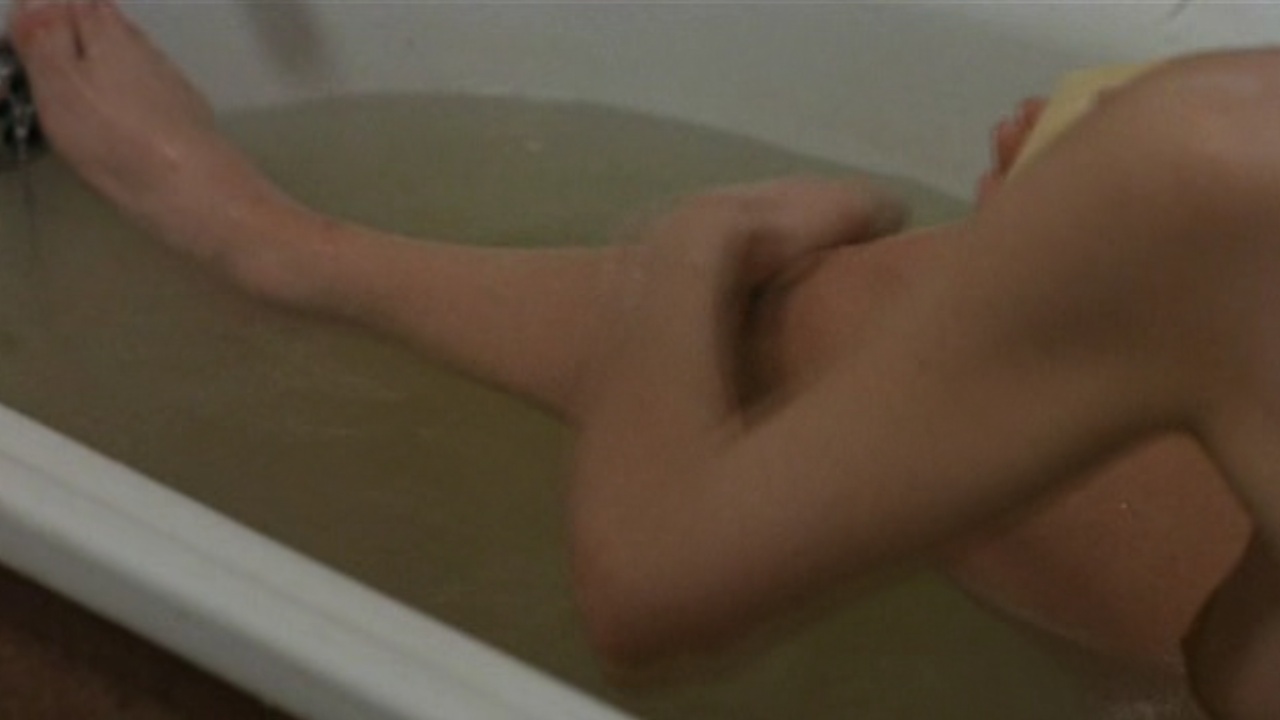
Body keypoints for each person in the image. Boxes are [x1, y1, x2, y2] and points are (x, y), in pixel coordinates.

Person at [7, 0, 1277, 716]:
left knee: (835, 318)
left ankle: (280, 249)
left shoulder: (1215, 158)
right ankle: (294, 254)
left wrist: (684, 246)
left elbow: (645, 583)